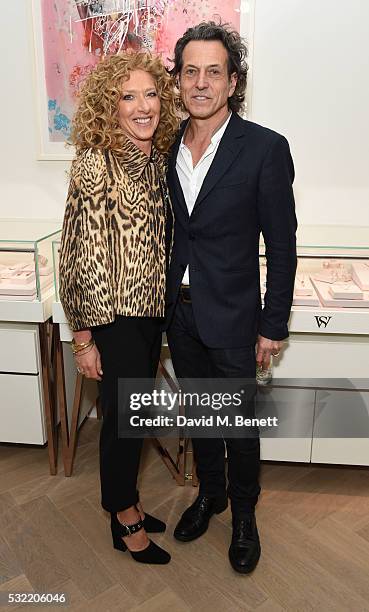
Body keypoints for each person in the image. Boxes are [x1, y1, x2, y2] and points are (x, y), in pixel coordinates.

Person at [166, 22, 297, 574]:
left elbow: (283, 246)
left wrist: (273, 325)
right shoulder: (166, 144)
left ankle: (244, 517)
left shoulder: (264, 148)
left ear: (232, 81)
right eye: (190, 71)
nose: (200, 83)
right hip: (181, 313)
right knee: (201, 417)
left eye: (212, 72)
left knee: (240, 428)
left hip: (237, 319)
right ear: (178, 81)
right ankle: (210, 495)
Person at [59, 52, 179, 565]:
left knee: (136, 415)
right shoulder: (95, 161)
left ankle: (126, 500)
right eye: (127, 97)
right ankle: (122, 515)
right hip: (115, 318)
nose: (142, 106)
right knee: (122, 422)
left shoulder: (158, 160)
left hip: (152, 314)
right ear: (110, 108)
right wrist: (83, 338)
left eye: (150, 94)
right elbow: (77, 253)